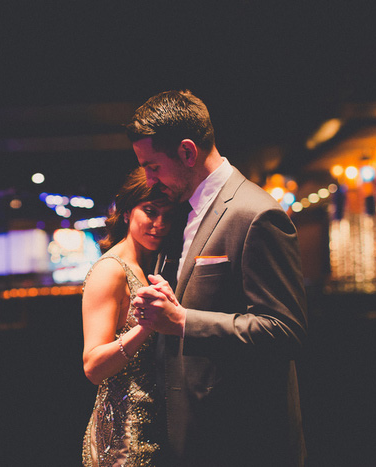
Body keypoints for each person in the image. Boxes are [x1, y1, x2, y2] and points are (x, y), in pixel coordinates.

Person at [126, 90, 308, 466]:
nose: (148, 178)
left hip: (243, 439)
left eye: (153, 166)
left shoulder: (256, 214)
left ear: (188, 153)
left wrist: (183, 321)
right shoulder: (183, 211)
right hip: (194, 433)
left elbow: (285, 331)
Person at [81, 167, 176, 466]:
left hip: (156, 427)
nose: (159, 224)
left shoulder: (153, 262)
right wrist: (146, 327)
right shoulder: (111, 269)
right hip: (124, 439)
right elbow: (93, 367)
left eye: (168, 215)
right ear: (126, 213)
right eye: (150, 211)